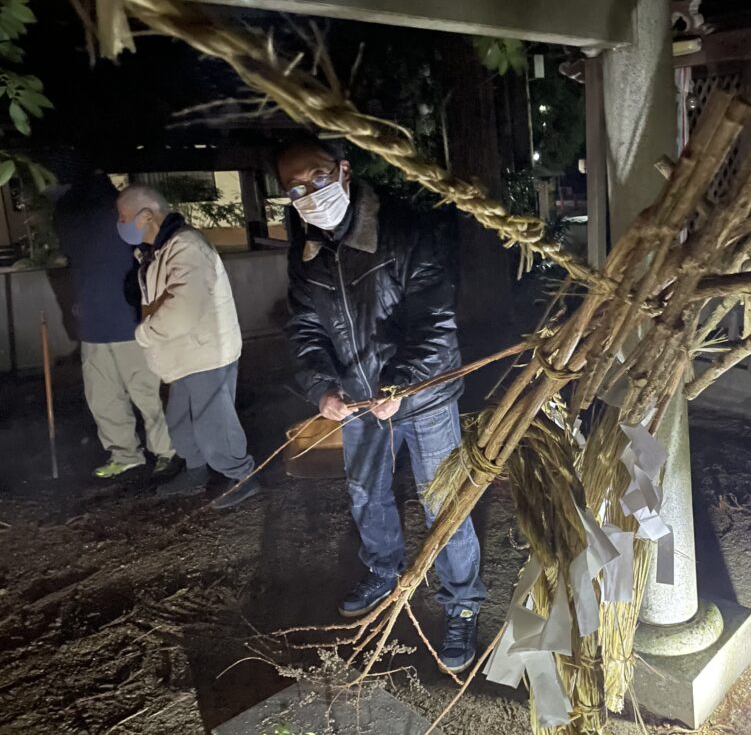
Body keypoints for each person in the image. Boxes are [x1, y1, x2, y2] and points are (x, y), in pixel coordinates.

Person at [278, 136, 486, 673]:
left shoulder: (401, 229)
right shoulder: (306, 249)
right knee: (366, 490)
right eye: (296, 187)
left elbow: (436, 322)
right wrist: (322, 386)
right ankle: (383, 568)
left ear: (345, 171)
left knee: (442, 497)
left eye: (318, 178)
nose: (309, 193)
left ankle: (461, 602)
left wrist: (400, 385)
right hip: (352, 396)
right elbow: (303, 327)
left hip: (421, 393)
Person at [115, 185, 260, 509]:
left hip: (205, 353)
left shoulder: (186, 246)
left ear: (146, 216)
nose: (120, 224)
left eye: (123, 217)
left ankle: (242, 476)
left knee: (214, 424)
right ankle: (196, 471)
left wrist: (143, 334)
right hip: (184, 354)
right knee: (181, 422)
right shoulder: (159, 249)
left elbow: (181, 312)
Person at [52, 167, 181, 482]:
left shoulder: (112, 210)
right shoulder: (82, 209)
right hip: (97, 324)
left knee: (142, 393)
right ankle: (127, 454)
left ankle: (164, 451)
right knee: (109, 396)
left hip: (127, 323)